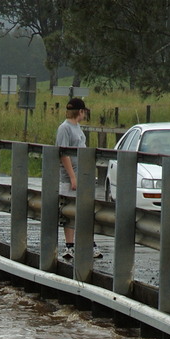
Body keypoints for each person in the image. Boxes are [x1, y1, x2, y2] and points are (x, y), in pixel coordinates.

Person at [55, 97, 102, 260]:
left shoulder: (78, 128)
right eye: (84, 111)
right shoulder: (65, 128)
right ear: (80, 111)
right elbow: (64, 154)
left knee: (84, 210)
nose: (84, 114)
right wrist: (72, 178)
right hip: (70, 178)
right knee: (70, 211)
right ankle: (70, 246)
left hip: (82, 175)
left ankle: (89, 243)